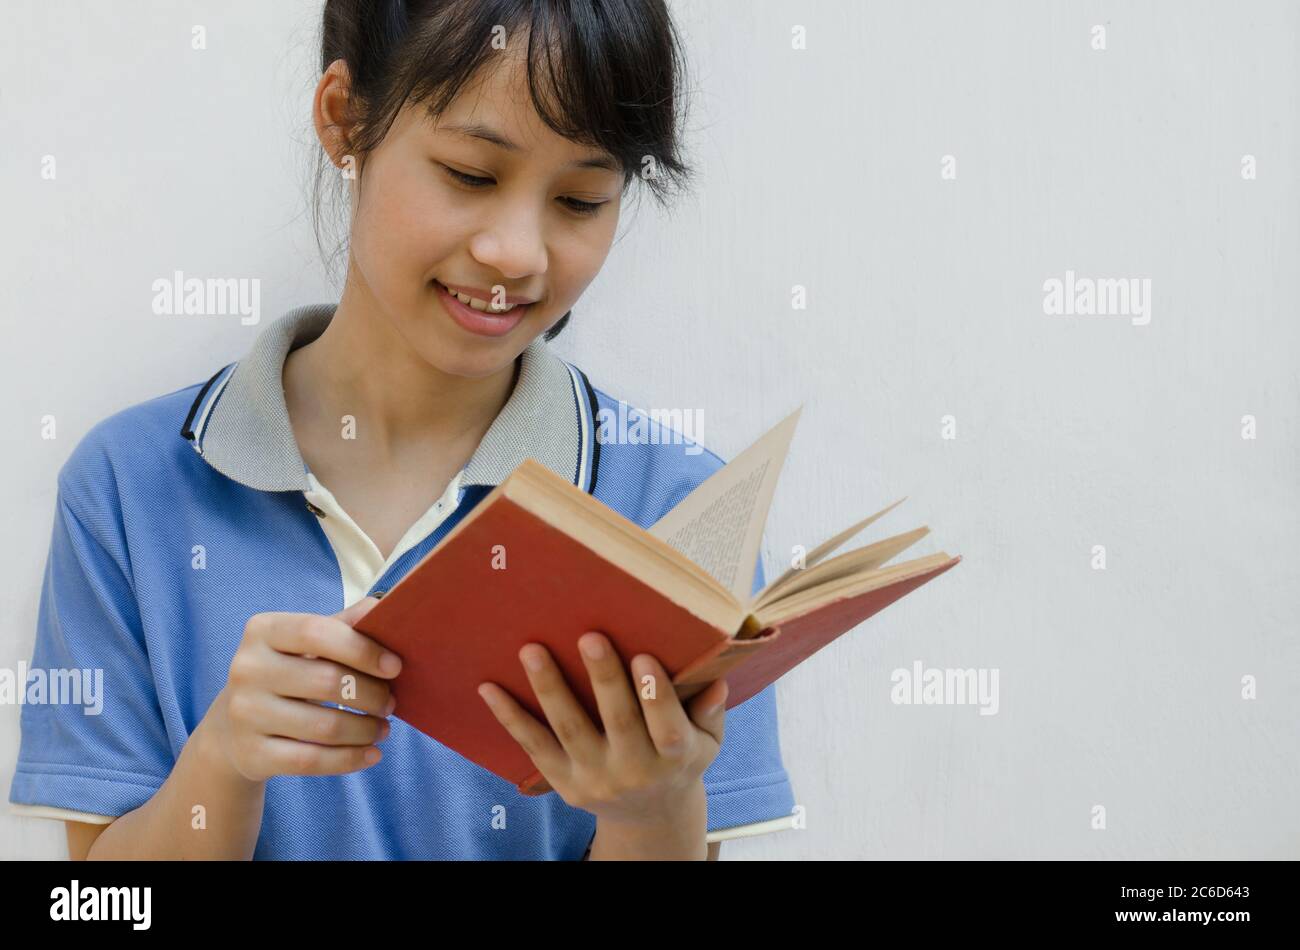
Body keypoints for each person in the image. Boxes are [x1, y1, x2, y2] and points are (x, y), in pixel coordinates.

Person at [10, 0, 796, 860]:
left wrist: (651, 811)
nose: (517, 253)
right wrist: (223, 763)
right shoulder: (130, 488)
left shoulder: (676, 509)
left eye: (580, 198)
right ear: (346, 121)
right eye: (470, 174)